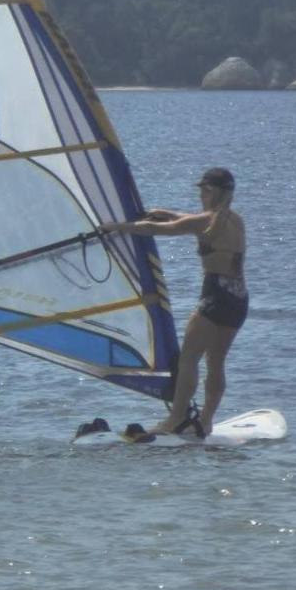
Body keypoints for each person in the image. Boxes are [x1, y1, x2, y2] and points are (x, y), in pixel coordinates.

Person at [100, 167, 247, 436]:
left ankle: (176, 420)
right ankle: (205, 421)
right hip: (238, 299)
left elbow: (156, 229)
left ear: (212, 193)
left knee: (188, 358)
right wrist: (168, 213)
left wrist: (117, 228)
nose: (201, 195)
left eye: (204, 191)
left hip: (215, 296)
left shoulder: (206, 221)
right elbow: (187, 220)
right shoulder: (235, 221)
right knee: (216, 362)